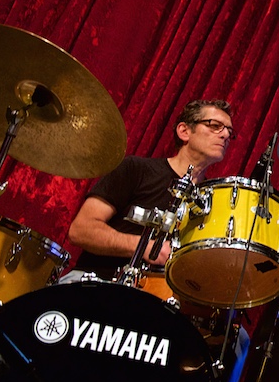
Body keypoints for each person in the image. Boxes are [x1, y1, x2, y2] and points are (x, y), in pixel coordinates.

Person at [63, 99, 234, 282]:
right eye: (214, 126)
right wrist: (143, 247)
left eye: (229, 131)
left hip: (155, 296)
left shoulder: (212, 201)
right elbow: (81, 230)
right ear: (184, 131)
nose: (225, 135)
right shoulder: (136, 169)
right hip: (94, 283)